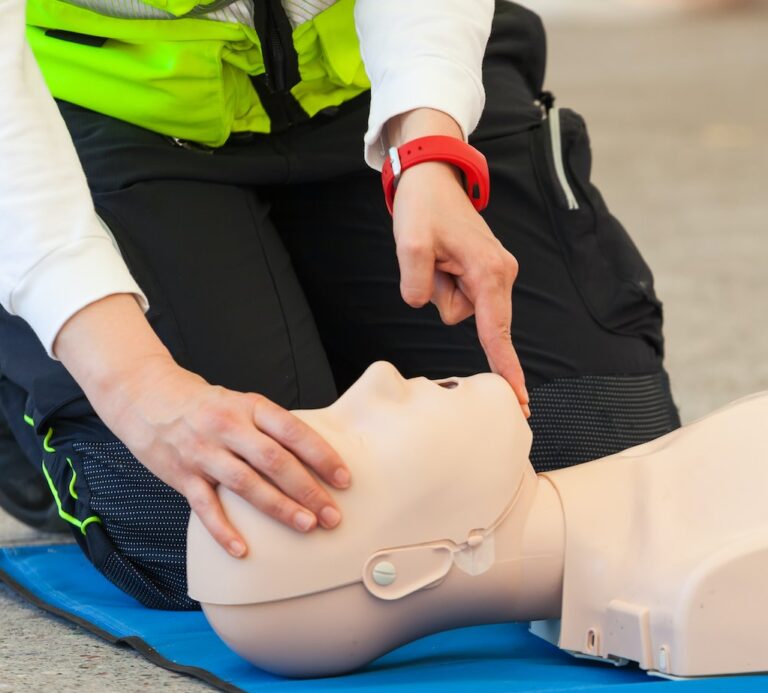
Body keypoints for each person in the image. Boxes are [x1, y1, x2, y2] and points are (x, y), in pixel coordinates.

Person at [0, 0, 679, 609]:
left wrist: (427, 145)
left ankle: (300, 299)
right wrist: (134, 381)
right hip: (105, 110)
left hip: (364, 77)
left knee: (601, 468)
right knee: (235, 538)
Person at [188, 361, 768, 679]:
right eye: (353, 432)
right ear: (400, 569)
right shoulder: (710, 569)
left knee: (608, 408)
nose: (378, 377)